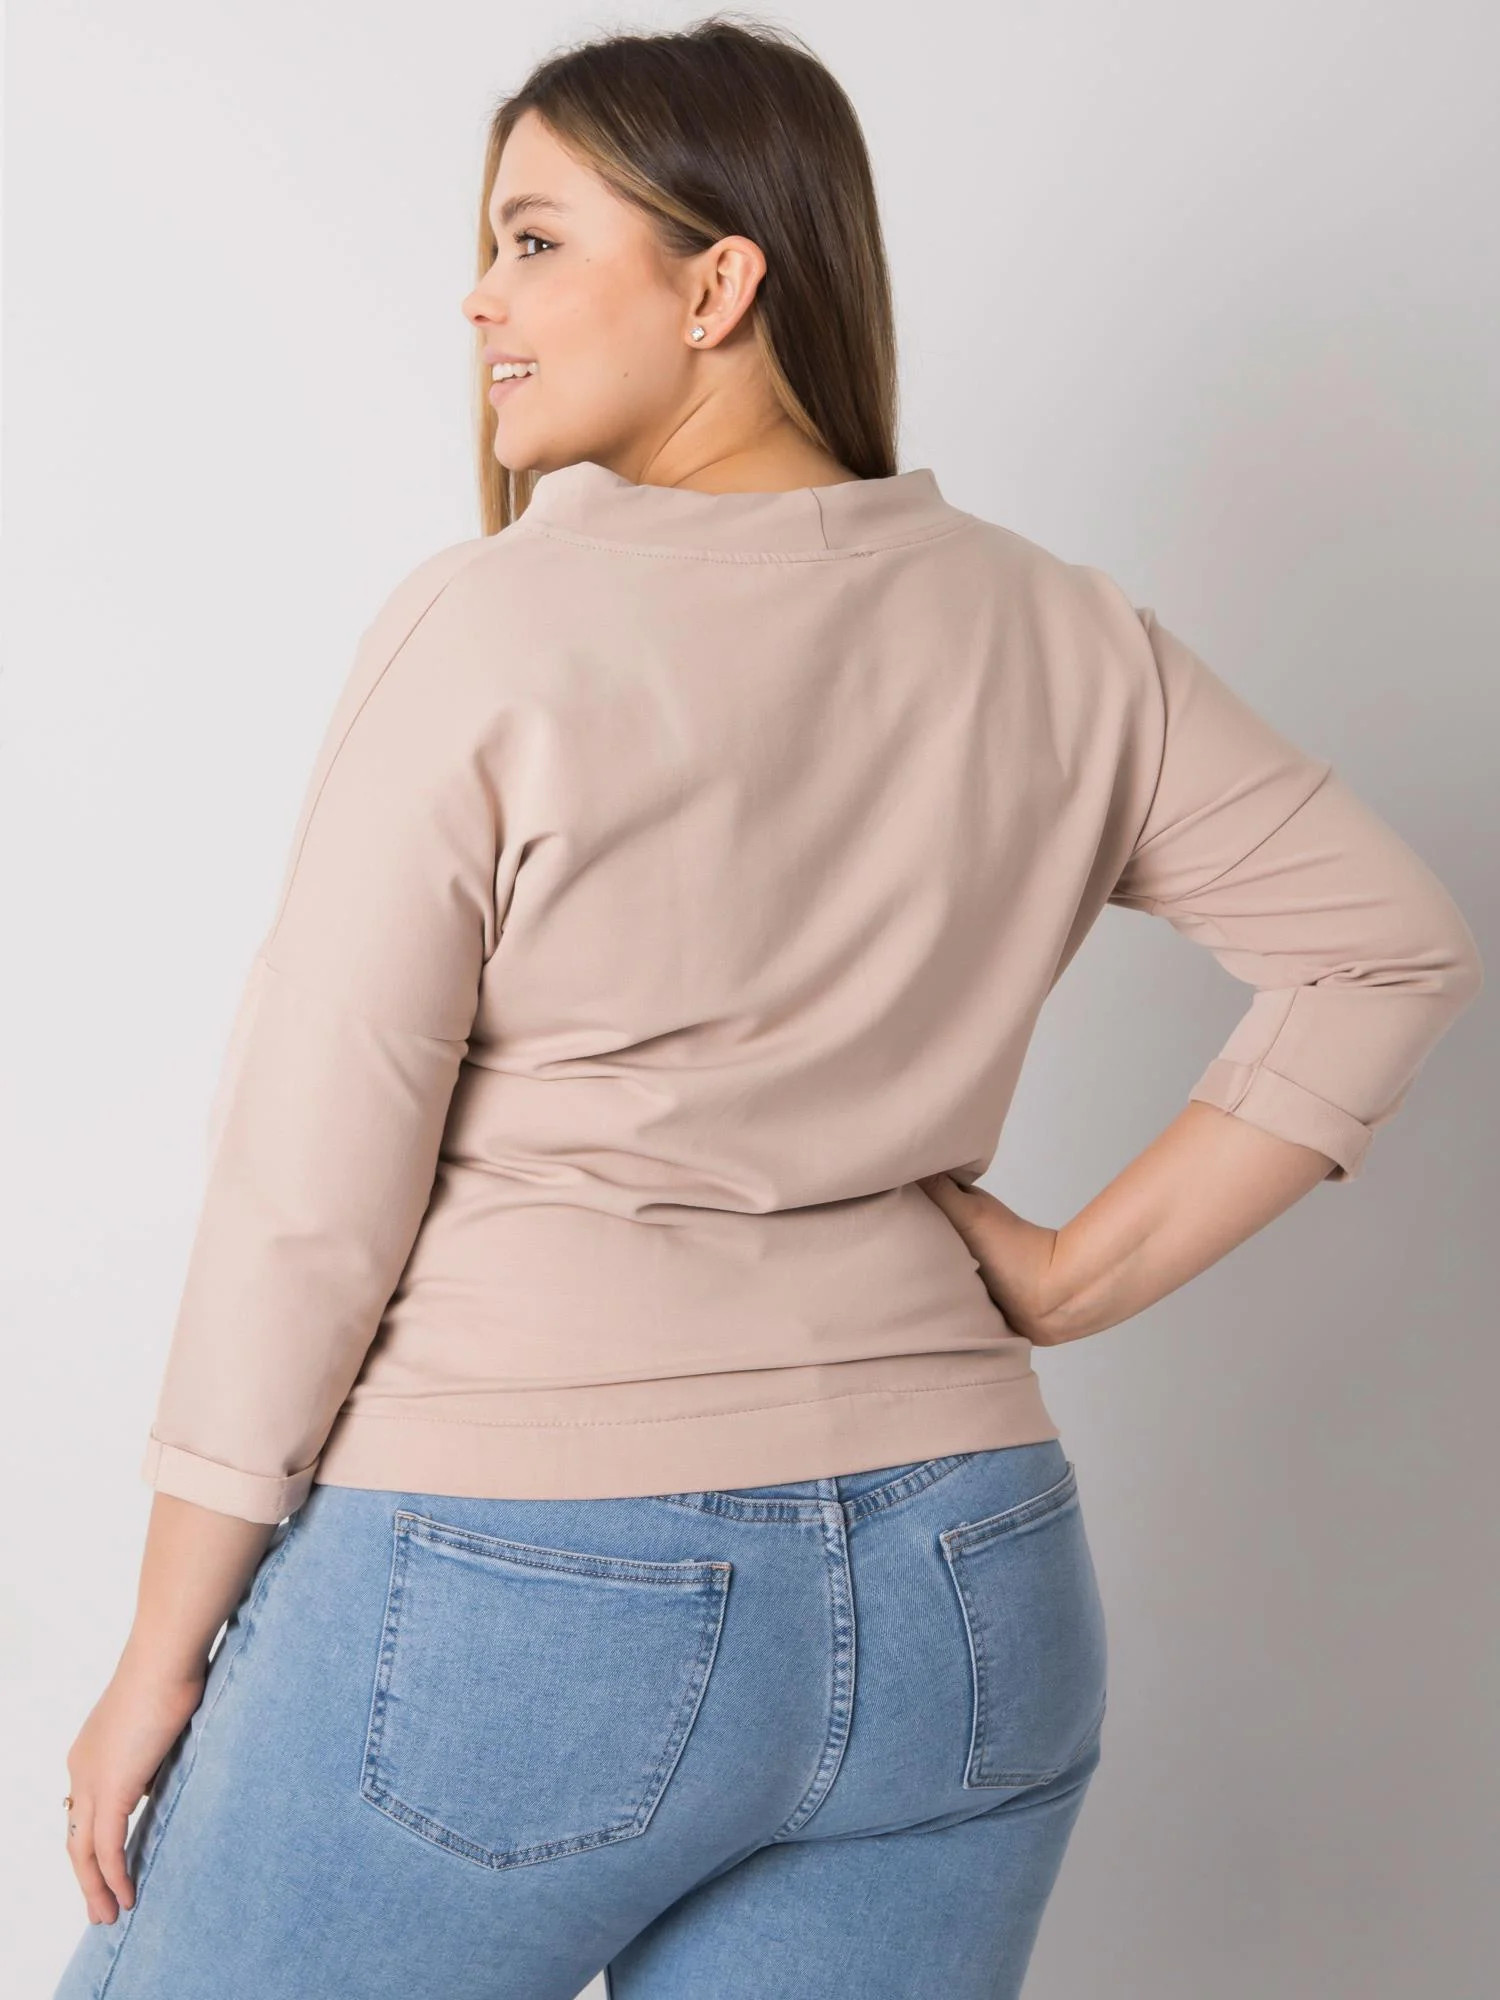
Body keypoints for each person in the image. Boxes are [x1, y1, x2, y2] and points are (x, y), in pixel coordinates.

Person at [53, 17, 1482, 2000]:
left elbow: (314, 1177)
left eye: (536, 241)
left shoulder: (491, 627)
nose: (479, 298)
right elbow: (1388, 941)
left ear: (718, 283)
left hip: (523, 1579)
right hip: (971, 1585)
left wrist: (162, 1647)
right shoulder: (1060, 630)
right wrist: (1068, 1280)